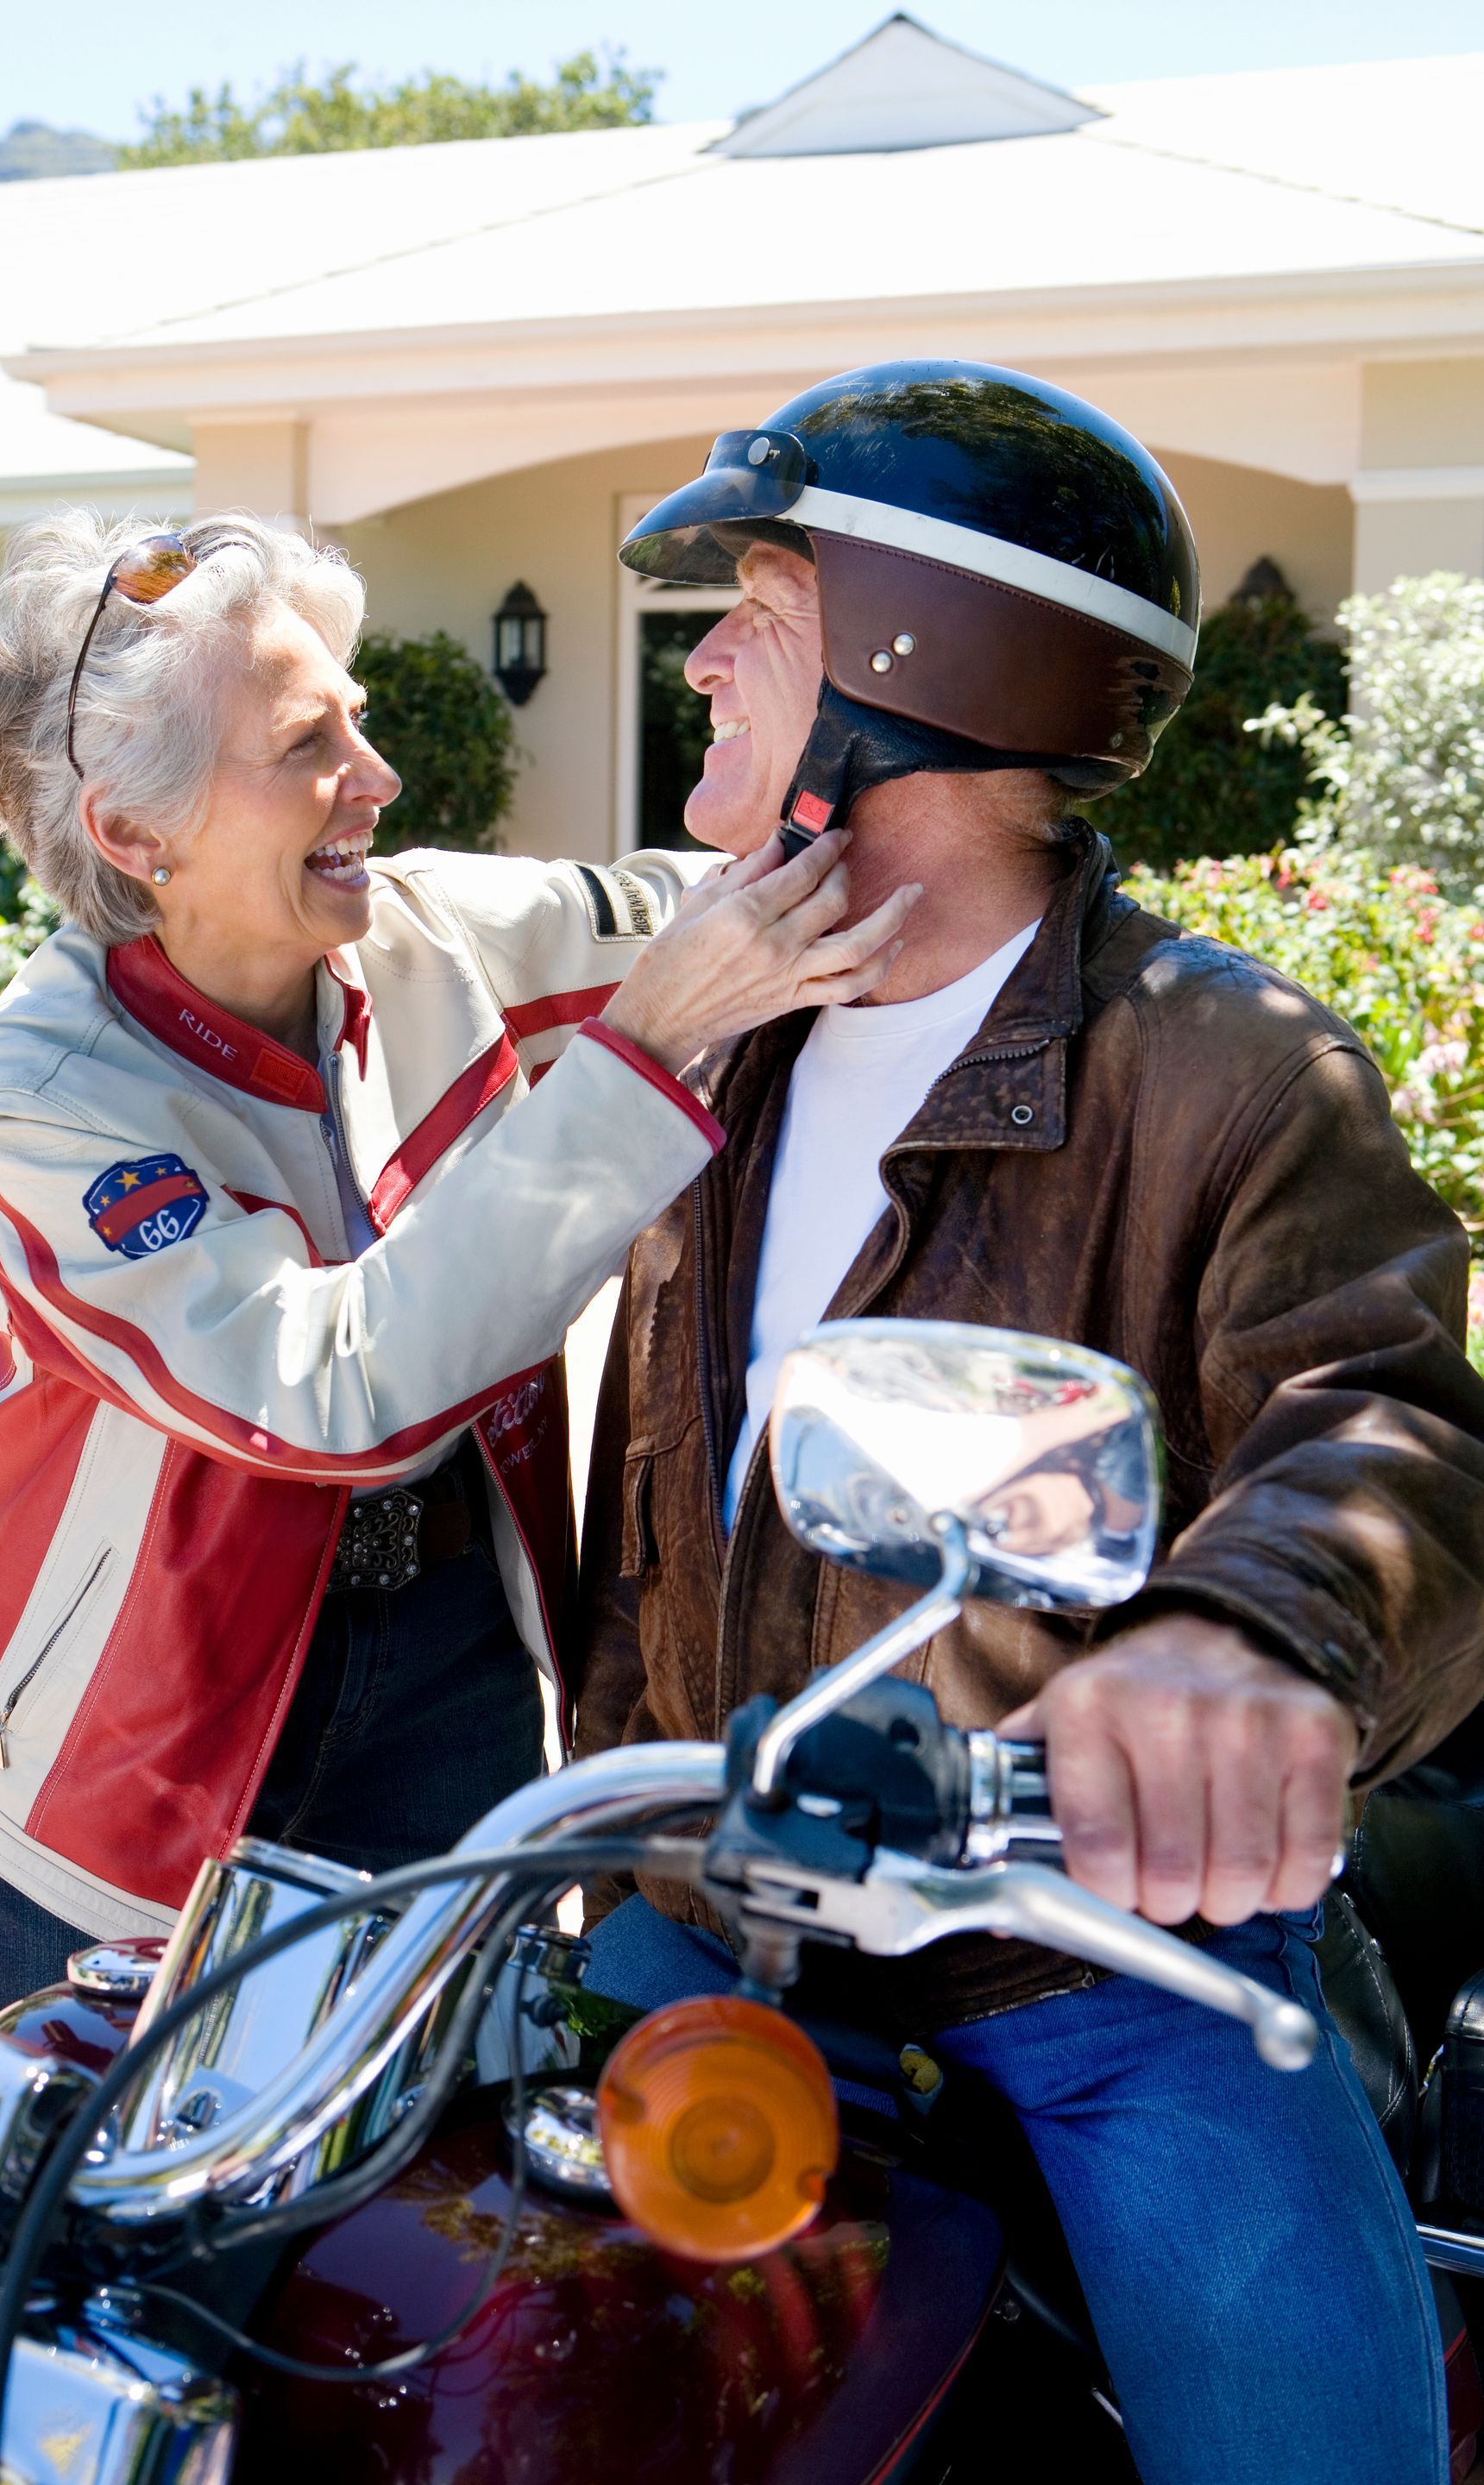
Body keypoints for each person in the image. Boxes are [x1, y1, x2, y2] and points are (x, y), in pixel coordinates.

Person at [575, 361, 1484, 2485]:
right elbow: (663, 1500)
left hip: (1084, 1952)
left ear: (925, 666)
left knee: (1307, 2451)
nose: (701, 656)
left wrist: (1241, 1638)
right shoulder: (743, 1042)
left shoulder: (1229, 1069)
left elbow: (1406, 1427)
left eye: (760, 609)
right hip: (715, 1908)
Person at [0, 510, 913, 2023]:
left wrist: (880, 716)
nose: (374, 781)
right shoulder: (42, 1096)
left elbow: (727, 913)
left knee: (431, 2210)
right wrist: (640, 1051)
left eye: (358, 722)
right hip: (130, 1770)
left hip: (453, 1682)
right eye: (309, 742)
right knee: (128, 2228)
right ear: (133, 832)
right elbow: (324, 1391)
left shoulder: (428, 932)